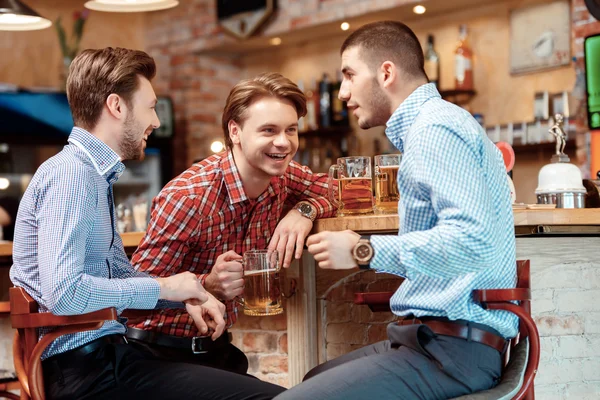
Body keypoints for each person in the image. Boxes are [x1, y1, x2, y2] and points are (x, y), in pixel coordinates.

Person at [10, 47, 284, 400]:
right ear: (117, 106)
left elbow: (119, 278)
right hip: (87, 375)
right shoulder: (71, 176)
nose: (155, 121)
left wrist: (187, 293)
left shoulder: (92, 175)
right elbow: (65, 294)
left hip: (108, 362)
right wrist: (167, 288)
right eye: (151, 106)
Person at [276, 21, 518, 400]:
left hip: (452, 352)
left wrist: (364, 250)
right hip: (432, 341)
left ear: (386, 72)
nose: (342, 93)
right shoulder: (432, 127)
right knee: (314, 377)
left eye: (349, 75)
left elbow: (473, 242)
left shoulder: (435, 129)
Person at [126, 72, 336, 374]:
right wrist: (206, 284)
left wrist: (304, 210)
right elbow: (132, 297)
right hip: (155, 353)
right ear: (235, 131)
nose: (283, 142)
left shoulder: (283, 178)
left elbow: (342, 191)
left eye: (291, 130)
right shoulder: (189, 196)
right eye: (268, 130)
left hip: (216, 351)